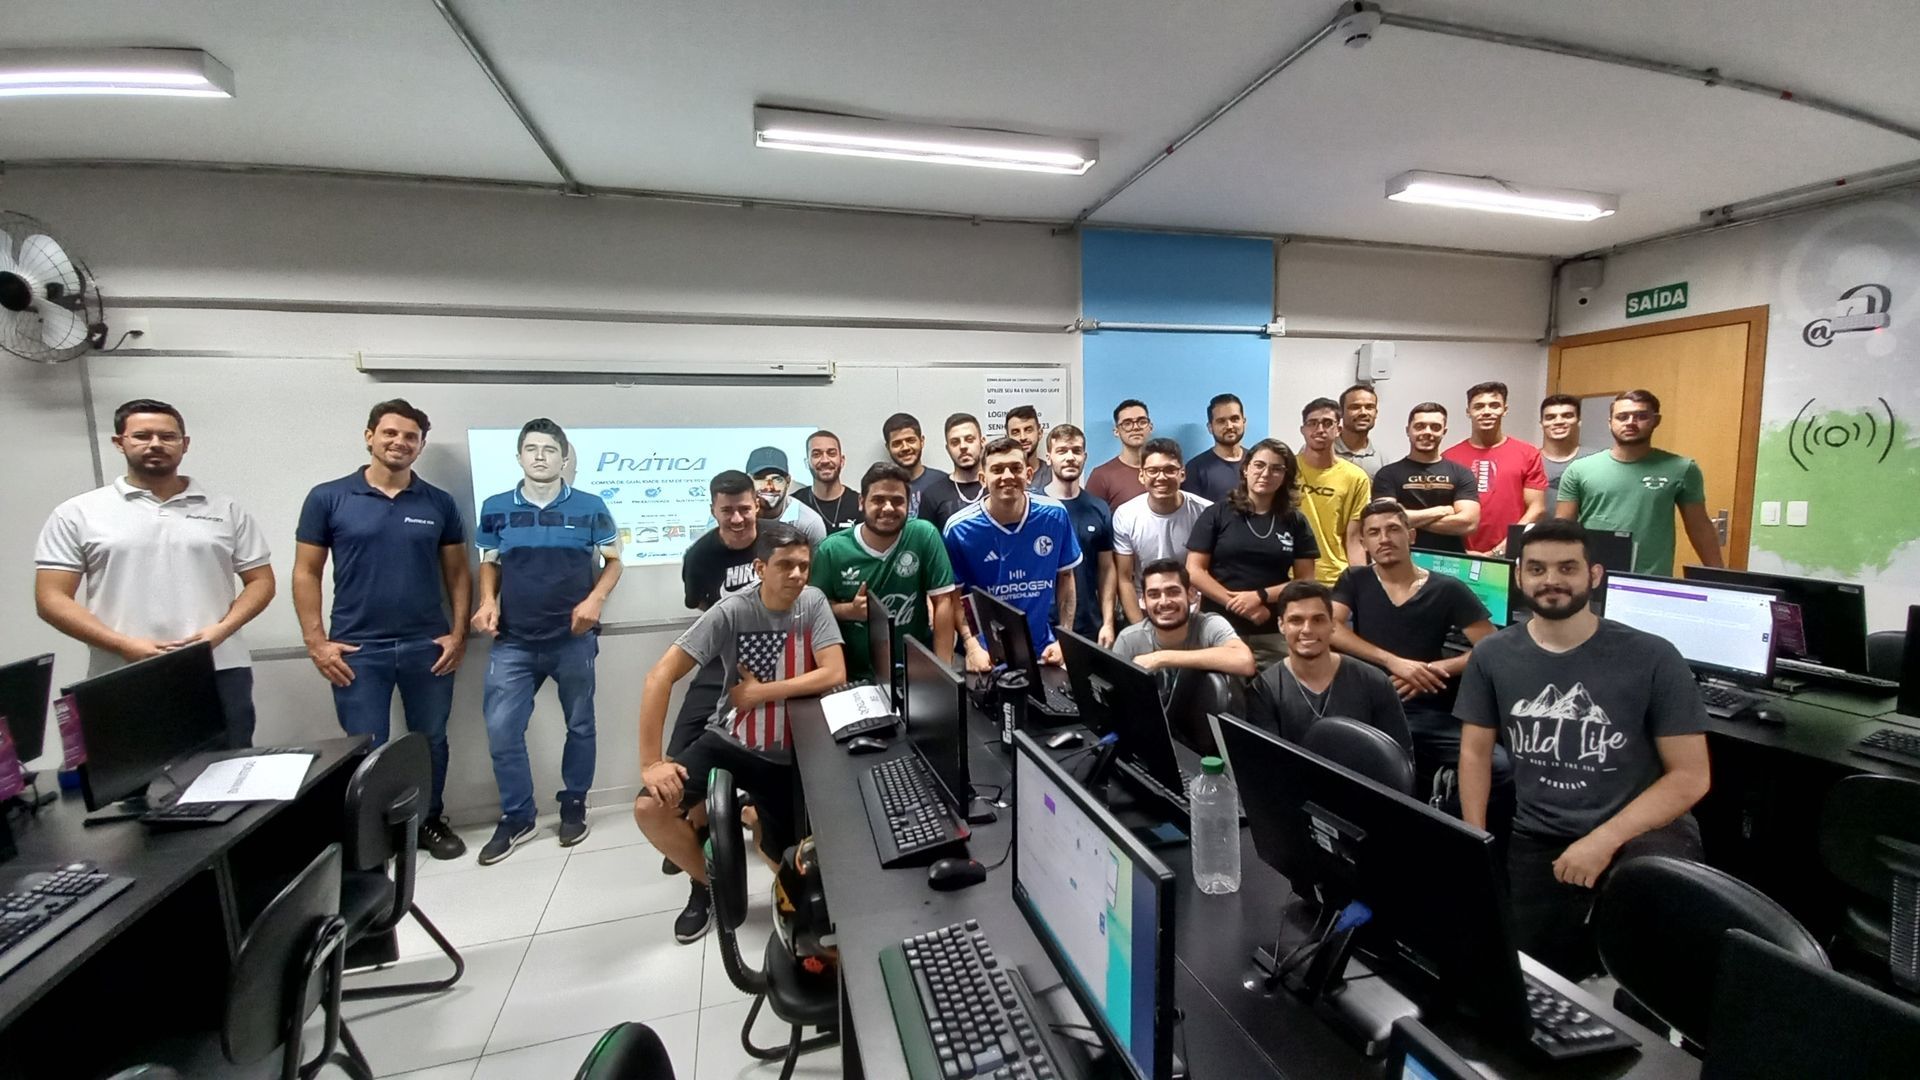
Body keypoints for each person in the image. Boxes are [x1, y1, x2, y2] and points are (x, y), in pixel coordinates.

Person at [1456, 518, 1712, 980]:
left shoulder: (1653, 657)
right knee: (1525, 977)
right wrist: (1476, 840)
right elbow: (1474, 753)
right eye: (1536, 569)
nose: (1551, 580)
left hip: (1640, 836)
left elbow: (1691, 777)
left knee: (1644, 977)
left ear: (1594, 575)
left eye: (1567, 568)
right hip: (1538, 835)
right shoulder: (1492, 655)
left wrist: (1602, 840)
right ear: (1519, 576)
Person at [632, 522, 847, 943]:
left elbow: (834, 673)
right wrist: (650, 764)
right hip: (730, 741)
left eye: (804, 566)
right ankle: (712, 885)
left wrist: (760, 693)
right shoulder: (732, 610)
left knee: (787, 859)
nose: (797, 575)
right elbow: (659, 676)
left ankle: (748, 815)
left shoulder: (814, 602)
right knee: (649, 810)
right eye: (785, 565)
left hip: (791, 754)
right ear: (760, 567)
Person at [34, 399, 275, 750]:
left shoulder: (225, 509)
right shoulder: (78, 513)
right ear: (119, 443)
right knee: (129, 792)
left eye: (167, 436)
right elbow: (51, 598)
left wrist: (220, 631)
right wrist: (123, 645)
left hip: (218, 670)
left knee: (228, 780)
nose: (155, 444)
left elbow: (262, 581)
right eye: (142, 436)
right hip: (121, 674)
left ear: (185, 443)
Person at [293, 399, 469, 860]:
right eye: (390, 433)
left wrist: (457, 634)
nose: (400, 442)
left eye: (410, 436)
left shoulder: (438, 503)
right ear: (369, 436)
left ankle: (429, 821)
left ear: (421, 445)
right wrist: (316, 642)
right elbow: (306, 572)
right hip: (356, 648)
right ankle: (369, 836)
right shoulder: (328, 497)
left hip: (427, 646)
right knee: (364, 747)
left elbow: (457, 574)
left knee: (430, 739)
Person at [470, 419, 621, 864]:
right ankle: (517, 816)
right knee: (501, 730)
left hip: (572, 639)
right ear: (519, 457)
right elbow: (489, 562)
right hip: (513, 641)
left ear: (565, 457)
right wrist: (486, 602)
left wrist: (596, 599)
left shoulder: (591, 506)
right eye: (531, 449)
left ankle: (574, 802)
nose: (540, 456)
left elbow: (613, 562)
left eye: (550, 450)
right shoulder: (496, 507)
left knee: (581, 724)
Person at [1330, 499, 1505, 831]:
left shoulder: (1448, 589)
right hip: (1370, 706)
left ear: (1411, 536)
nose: (1384, 539)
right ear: (1364, 543)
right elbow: (1333, 629)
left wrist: (1431, 670)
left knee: (1499, 767)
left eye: (1393, 529)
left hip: (1428, 712)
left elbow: (1492, 646)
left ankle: (1445, 830)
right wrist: (1394, 662)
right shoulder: (1355, 579)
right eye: (1374, 533)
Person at [658, 469, 762, 884]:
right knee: (681, 755)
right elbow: (703, 608)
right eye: (726, 511)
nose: (736, 519)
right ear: (713, 510)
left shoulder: (778, 539)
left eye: (743, 509)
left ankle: (760, 816)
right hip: (721, 660)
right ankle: (698, 848)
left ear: (757, 504)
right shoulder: (700, 555)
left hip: (779, 661)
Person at [945, 437, 1082, 673]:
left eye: (1016, 468)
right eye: (997, 470)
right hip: (987, 656)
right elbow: (956, 596)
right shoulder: (959, 529)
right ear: (982, 479)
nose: (1007, 476)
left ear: (1028, 475)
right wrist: (971, 645)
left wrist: (1065, 638)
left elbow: (1066, 578)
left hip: (1044, 652)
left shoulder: (1055, 516)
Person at [809, 462, 958, 678]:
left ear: (908, 504)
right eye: (878, 500)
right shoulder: (832, 549)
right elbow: (814, 612)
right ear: (862, 502)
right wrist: (849, 610)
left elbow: (943, 601)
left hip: (914, 671)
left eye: (897, 501)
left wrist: (944, 673)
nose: (888, 508)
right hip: (855, 675)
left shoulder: (923, 535)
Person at [1556, 389, 1723, 576]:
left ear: (1656, 420)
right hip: (1591, 576)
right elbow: (1562, 529)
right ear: (1610, 423)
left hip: (1650, 579)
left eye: (1640, 416)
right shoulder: (1579, 469)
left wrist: (1719, 578)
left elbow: (1699, 528)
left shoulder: (1682, 469)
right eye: (1622, 417)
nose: (1630, 423)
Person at [1183, 438, 1319, 667]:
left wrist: (1260, 596)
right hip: (1218, 626)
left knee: (1276, 695)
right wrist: (1237, 604)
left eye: (1277, 468)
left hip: (1271, 629)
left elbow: (1305, 581)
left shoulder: (1295, 521)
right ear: (1246, 468)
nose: (1266, 473)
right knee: (1217, 698)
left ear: (1286, 476)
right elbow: (1194, 570)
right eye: (1260, 465)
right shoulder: (1217, 513)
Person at [1248, 580, 1411, 755]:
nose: (1307, 629)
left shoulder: (1373, 681)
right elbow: (1266, 762)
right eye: (1296, 620)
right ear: (1281, 625)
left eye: (1318, 620)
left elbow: (1400, 756)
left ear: (1333, 624)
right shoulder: (1263, 689)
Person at [1110, 559, 1257, 709]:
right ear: (1143, 602)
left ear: (1191, 594)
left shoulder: (1209, 625)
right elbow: (1113, 698)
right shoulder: (1128, 640)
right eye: (1154, 595)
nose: (1164, 602)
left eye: (1173, 592)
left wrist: (1160, 658)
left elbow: (1244, 662)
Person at [1112, 438, 1212, 626]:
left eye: (1170, 470)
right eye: (1153, 471)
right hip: (1145, 607)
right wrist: (1139, 629)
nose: (1161, 477)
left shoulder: (1206, 512)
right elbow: (1124, 578)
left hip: (1194, 610)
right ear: (1141, 475)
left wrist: (1196, 622)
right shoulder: (1125, 515)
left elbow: (1210, 572)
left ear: (1182, 474)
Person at [1443, 381, 1546, 557]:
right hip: (1462, 554)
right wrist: (1462, 551)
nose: (1487, 412)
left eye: (1494, 405)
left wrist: (1500, 550)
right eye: (1479, 406)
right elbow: (1444, 509)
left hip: (1511, 553)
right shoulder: (1449, 457)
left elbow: (1537, 509)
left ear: (1505, 410)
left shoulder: (1528, 453)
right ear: (1469, 412)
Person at [1039, 424, 1119, 647]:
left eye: (1076, 451)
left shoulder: (1099, 508)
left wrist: (1108, 622)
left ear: (1085, 457)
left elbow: (1106, 569)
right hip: (1042, 624)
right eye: (1062, 451)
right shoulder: (1034, 507)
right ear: (1049, 458)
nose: (1070, 457)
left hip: (1088, 624)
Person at [1371, 403, 1481, 554]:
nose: (1427, 432)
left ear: (1444, 432)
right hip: (1402, 560)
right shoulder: (1387, 474)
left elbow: (1468, 524)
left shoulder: (1462, 474)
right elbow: (1384, 519)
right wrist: (1441, 511)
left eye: (1435, 427)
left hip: (1449, 562)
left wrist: (1406, 519)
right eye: (1420, 426)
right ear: (1408, 430)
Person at [1293, 398, 1372, 585]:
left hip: (1335, 579)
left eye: (1327, 423)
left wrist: (1359, 586)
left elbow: (1354, 539)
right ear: (1303, 430)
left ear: (1338, 430)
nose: (1320, 429)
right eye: (1312, 423)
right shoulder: (1286, 469)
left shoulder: (1356, 478)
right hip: (1288, 576)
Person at [918, 413, 988, 531]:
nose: (963, 446)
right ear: (947, 449)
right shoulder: (932, 495)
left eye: (969, 440)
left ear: (982, 442)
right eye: (955, 442)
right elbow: (926, 543)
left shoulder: (998, 486)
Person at [745, 446, 826, 545]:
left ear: (788, 481)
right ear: (748, 480)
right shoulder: (737, 515)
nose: (769, 487)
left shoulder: (808, 522)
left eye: (777, 479)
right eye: (760, 478)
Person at [1086, 399, 1153, 509]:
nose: (1135, 427)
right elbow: (1092, 520)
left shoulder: (1165, 472)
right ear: (1116, 431)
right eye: (1127, 423)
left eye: (1142, 422)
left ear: (1150, 427)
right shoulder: (1101, 476)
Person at [791, 429, 862, 531]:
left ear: (842, 461)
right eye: (816, 454)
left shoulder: (859, 503)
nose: (825, 460)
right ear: (807, 463)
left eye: (831, 453)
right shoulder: (794, 504)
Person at [1539, 394, 1597, 517]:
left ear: (1579, 421)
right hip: (1535, 533)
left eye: (1567, 416)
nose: (1559, 421)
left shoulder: (1595, 460)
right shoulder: (1529, 460)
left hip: (1582, 534)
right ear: (1541, 424)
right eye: (1550, 417)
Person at [882, 412, 949, 519]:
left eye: (910, 440)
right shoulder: (881, 488)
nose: (905, 447)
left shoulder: (943, 482)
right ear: (888, 447)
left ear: (922, 441)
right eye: (897, 443)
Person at [1182, 393, 1247, 503]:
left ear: (1244, 422)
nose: (1229, 426)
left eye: (1234, 419)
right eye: (1221, 421)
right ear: (1210, 427)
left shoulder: (1258, 463)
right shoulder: (1195, 468)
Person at [1334, 383, 1384, 478]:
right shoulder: (1320, 450)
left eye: (1369, 407)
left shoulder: (1381, 459)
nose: (1363, 412)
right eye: (1355, 407)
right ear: (1341, 412)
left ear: (1376, 413)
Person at [1004, 404, 1053, 490]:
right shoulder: (1002, 476)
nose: (1023, 437)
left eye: (1028, 430)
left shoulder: (1053, 475)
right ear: (1007, 438)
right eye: (1016, 432)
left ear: (1040, 433)